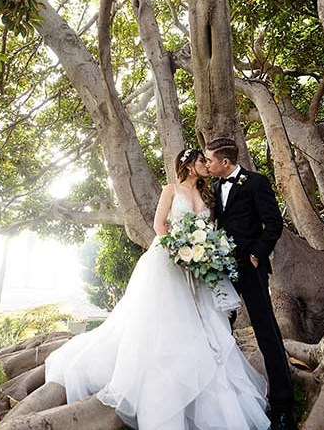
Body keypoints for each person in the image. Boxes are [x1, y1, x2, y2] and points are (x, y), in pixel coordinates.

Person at [45, 148, 270, 430]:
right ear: (188, 165)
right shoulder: (170, 190)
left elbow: (210, 229)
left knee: (203, 325)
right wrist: (181, 250)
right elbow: (159, 225)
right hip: (169, 261)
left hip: (199, 267)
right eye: (201, 161)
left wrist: (203, 254)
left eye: (206, 161)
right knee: (166, 322)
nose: (205, 165)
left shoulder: (207, 194)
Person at [204, 137, 296, 430]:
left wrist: (257, 254)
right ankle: (225, 402)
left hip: (251, 270)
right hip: (223, 271)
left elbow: (274, 224)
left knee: (267, 332)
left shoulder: (256, 182)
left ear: (225, 162)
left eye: (210, 161)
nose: (207, 165)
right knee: (219, 332)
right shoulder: (215, 188)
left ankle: (283, 407)